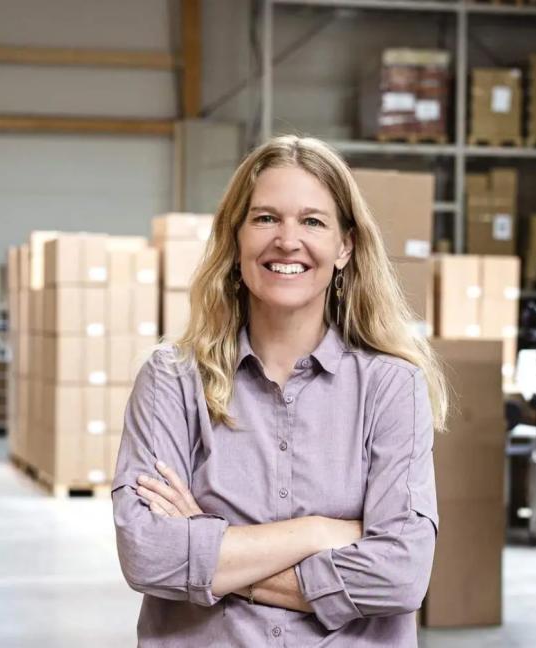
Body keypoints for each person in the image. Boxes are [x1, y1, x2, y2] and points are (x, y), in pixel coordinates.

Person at [112, 135, 449, 646]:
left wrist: (210, 547)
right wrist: (318, 532)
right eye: (266, 218)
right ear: (237, 238)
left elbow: (401, 574)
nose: (287, 241)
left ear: (345, 246)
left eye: (312, 221)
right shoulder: (172, 380)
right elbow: (147, 554)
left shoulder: (391, 386)